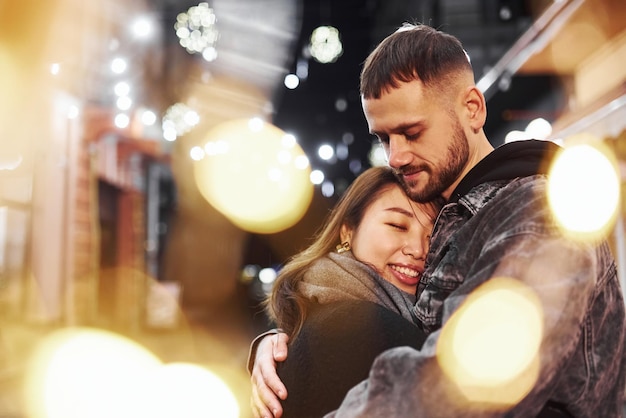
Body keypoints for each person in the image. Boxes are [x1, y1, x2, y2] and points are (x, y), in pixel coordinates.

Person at [250, 23, 626, 418]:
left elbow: (466, 384)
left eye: (412, 132)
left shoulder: (535, 210)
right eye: (384, 138)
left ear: (472, 109)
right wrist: (283, 347)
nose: (395, 156)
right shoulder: (453, 216)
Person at [264, 166, 439, 417]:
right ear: (348, 230)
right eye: (398, 225)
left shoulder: (319, 310)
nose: (418, 249)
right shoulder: (359, 326)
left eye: (432, 236)